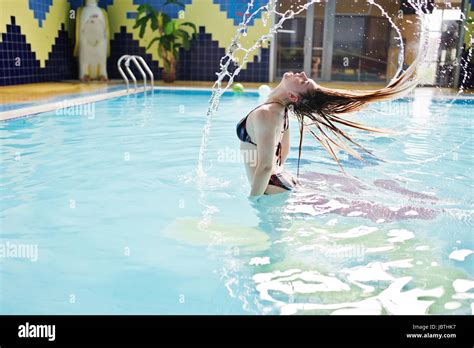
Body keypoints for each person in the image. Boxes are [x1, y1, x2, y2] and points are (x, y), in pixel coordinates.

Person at [236, 65, 418, 197]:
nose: (302, 74)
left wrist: (254, 201)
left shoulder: (267, 113)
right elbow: (284, 152)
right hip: (281, 181)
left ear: (293, 96)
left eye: (304, 81)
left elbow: (267, 166)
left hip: (270, 186)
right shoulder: (280, 111)